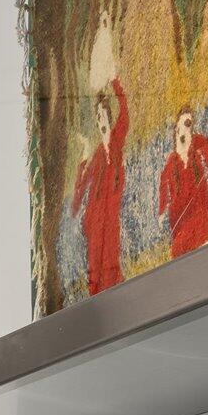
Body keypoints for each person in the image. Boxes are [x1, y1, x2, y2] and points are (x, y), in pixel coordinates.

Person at [69, 77, 129, 294]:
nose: (101, 119)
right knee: (95, 267)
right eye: (97, 116)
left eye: (103, 114)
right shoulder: (96, 157)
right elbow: (80, 191)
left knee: (111, 260)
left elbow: (125, 114)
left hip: (110, 216)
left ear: (109, 116)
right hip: (94, 221)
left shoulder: (116, 142)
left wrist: (115, 82)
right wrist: (84, 155)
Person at [156, 106, 208, 257]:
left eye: (189, 124)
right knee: (180, 250)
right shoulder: (172, 161)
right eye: (183, 124)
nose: (186, 128)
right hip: (179, 214)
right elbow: (163, 185)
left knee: (202, 242)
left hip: (199, 205)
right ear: (177, 127)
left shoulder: (198, 144)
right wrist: (161, 210)